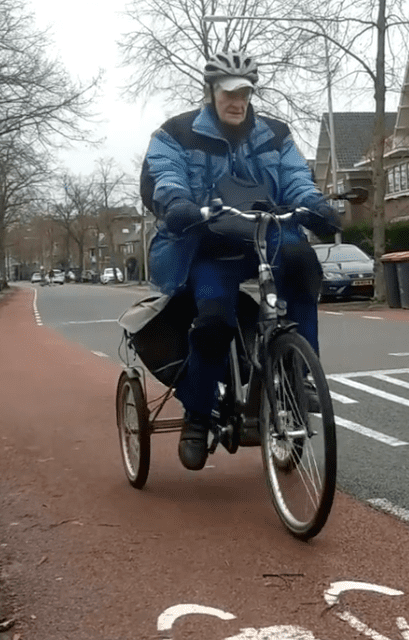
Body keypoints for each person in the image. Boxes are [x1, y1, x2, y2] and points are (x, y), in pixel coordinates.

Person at [142, 51, 341, 471]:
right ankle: (197, 416)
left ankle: (296, 372)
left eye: (245, 93)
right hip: (209, 245)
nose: (237, 101)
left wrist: (318, 207)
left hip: (263, 239)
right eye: (229, 93)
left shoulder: (274, 135)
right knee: (214, 318)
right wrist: (176, 202)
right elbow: (166, 174)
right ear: (211, 92)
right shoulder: (175, 134)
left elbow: (295, 180)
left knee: (302, 263)